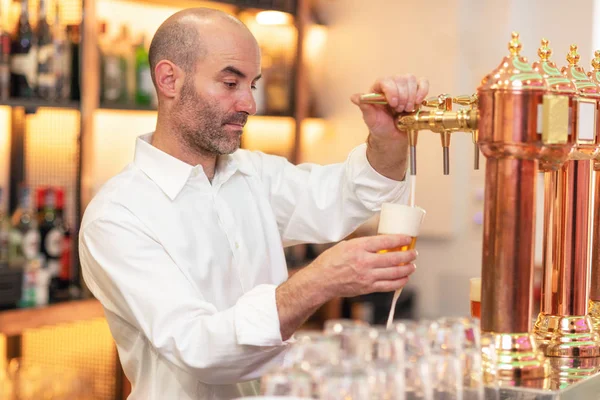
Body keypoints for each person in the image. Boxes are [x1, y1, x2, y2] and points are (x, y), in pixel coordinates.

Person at [79, 7, 429, 400]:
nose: (249, 104)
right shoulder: (117, 216)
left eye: (253, 85)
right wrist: (319, 281)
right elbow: (199, 349)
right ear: (169, 79)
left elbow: (349, 196)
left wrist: (387, 137)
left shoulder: (252, 175)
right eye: (230, 83)